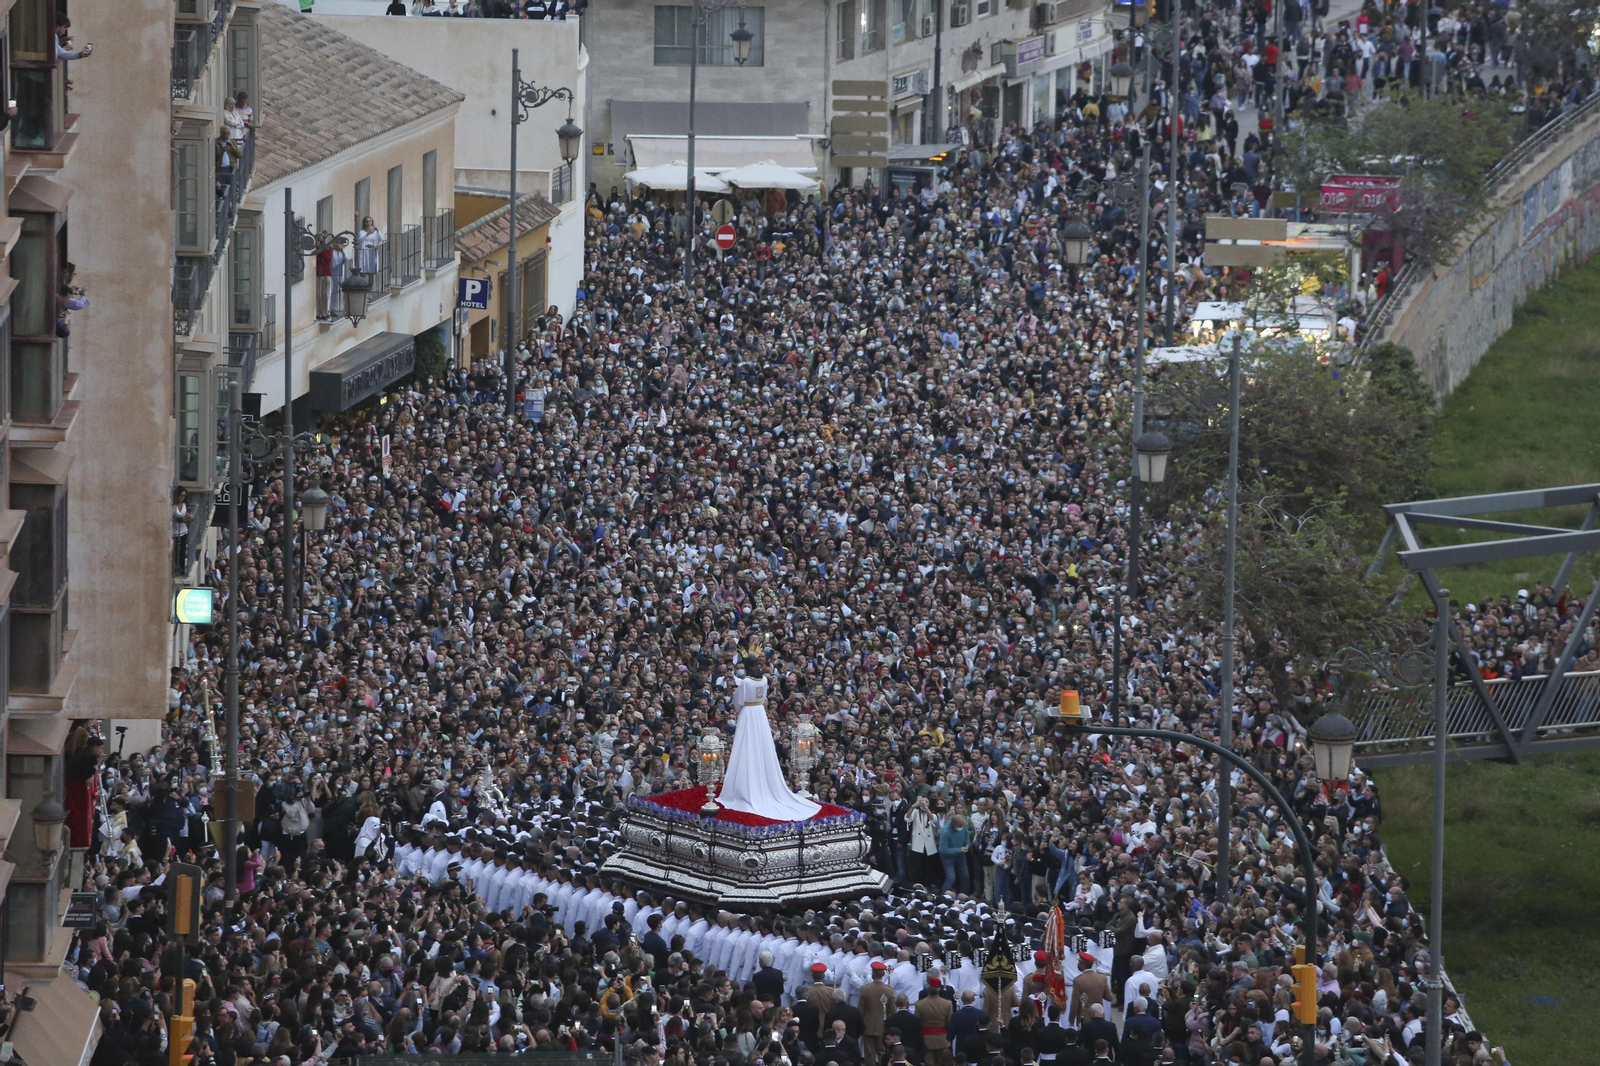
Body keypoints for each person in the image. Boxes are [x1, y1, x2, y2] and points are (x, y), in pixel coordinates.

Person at [717, 639, 820, 821]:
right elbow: (763, 697)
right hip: (759, 713)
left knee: (746, 747)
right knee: (759, 746)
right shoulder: (764, 679)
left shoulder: (746, 682)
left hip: (749, 713)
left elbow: (738, 700)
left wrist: (739, 709)